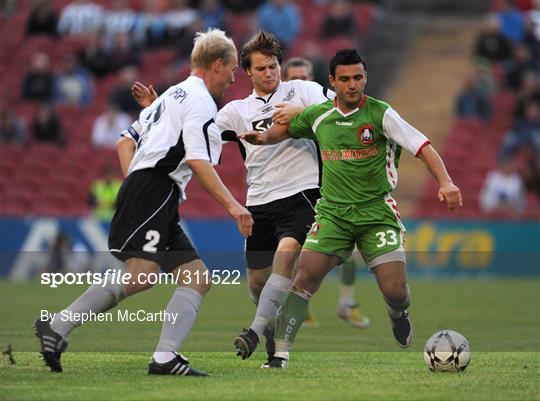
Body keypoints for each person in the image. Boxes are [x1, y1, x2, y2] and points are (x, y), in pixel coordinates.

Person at [34, 28, 253, 377]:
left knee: (196, 277)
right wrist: (234, 206)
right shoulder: (199, 101)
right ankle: (58, 325)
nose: (233, 77)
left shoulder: (167, 98)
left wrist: (135, 180)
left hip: (153, 191)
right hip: (155, 190)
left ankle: (165, 358)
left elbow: (125, 142)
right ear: (216, 64)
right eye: (232, 69)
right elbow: (197, 160)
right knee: (141, 276)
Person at [240, 49, 462, 368]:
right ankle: (280, 355)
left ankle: (399, 315)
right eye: (344, 79)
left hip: (376, 214)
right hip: (333, 215)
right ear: (332, 81)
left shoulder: (380, 114)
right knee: (303, 278)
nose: (352, 85)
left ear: (365, 78)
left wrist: (446, 182)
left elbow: (422, 146)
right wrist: (262, 139)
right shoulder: (319, 115)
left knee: (396, 290)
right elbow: (287, 128)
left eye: (358, 77)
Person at [131, 32, 341, 364]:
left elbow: (343, 108)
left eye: (273, 66)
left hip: (302, 194)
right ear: (247, 72)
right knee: (258, 283)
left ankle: (257, 335)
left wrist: (302, 111)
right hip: (259, 201)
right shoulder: (236, 111)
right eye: (261, 69)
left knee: (285, 259)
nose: (269, 73)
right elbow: (195, 129)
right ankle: (270, 328)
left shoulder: (303, 90)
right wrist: (155, 109)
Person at [282, 57, 370, 329]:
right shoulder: (284, 114)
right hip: (298, 190)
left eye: (306, 78)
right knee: (296, 251)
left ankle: (345, 303)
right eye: (296, 79)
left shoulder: (327, 113)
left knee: (351, 251)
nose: (302, 83)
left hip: (333, 188)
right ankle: (297, 304)